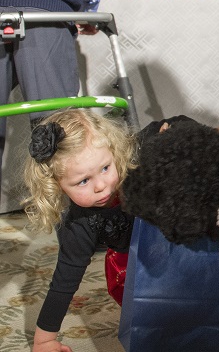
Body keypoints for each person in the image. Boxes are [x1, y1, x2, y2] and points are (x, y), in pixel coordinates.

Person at [0, 0, 106, 205]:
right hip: (44, 5)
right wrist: (87, 5)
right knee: (61, 135)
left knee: (59, 134)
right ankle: (74, 245)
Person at [22, 109, 137, 352]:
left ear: (114, 152)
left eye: (105, 168)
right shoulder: (78, 225)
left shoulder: (138, 175)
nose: (101, 186)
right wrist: (44, 340)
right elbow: (64, 281)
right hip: (132, 265)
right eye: (83, 181)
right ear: (57, 186)